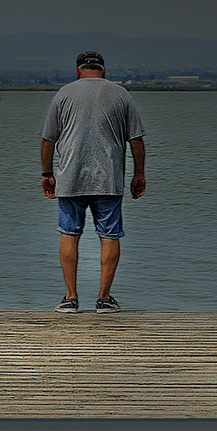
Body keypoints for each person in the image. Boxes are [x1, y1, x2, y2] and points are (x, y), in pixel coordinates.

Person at [40, 51, 146, 314]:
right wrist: (139, 174)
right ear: (104, 71)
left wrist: (46, 174)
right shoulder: (121, 94)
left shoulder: (63, 94)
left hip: (70, 177)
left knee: (69, 233)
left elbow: (48, 140)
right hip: (108, 178)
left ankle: (70, 298)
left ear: (77, 72)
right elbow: (136, 140)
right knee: (109, 235)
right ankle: (104, 299)